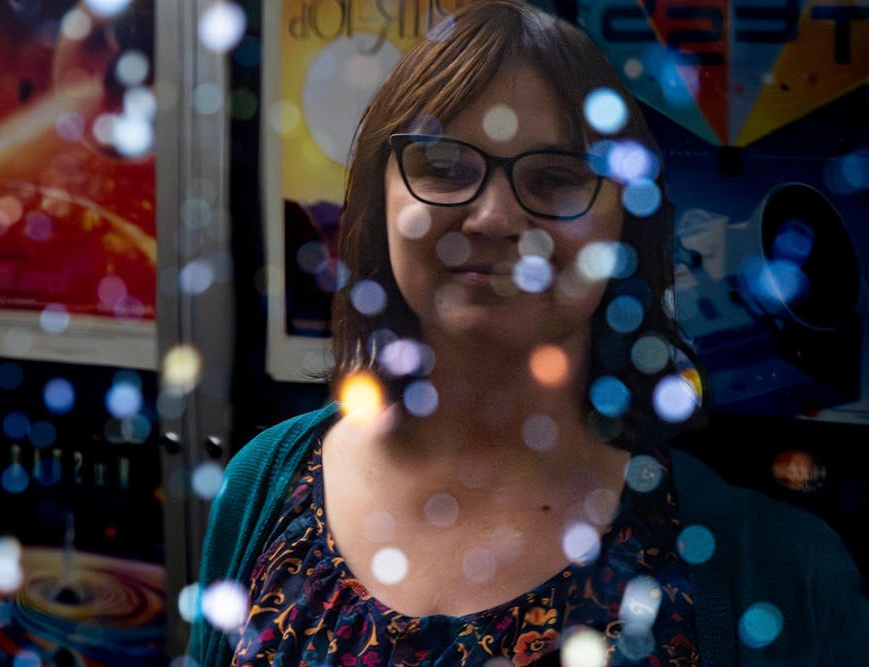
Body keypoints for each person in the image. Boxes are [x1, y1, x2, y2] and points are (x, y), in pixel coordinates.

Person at [189, 1, 869, 665]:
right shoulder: (261, 487)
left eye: (556, 178)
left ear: (627, 226)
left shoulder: (780, 574)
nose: (491, 218)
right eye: (445, 167)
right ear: (378, 201)